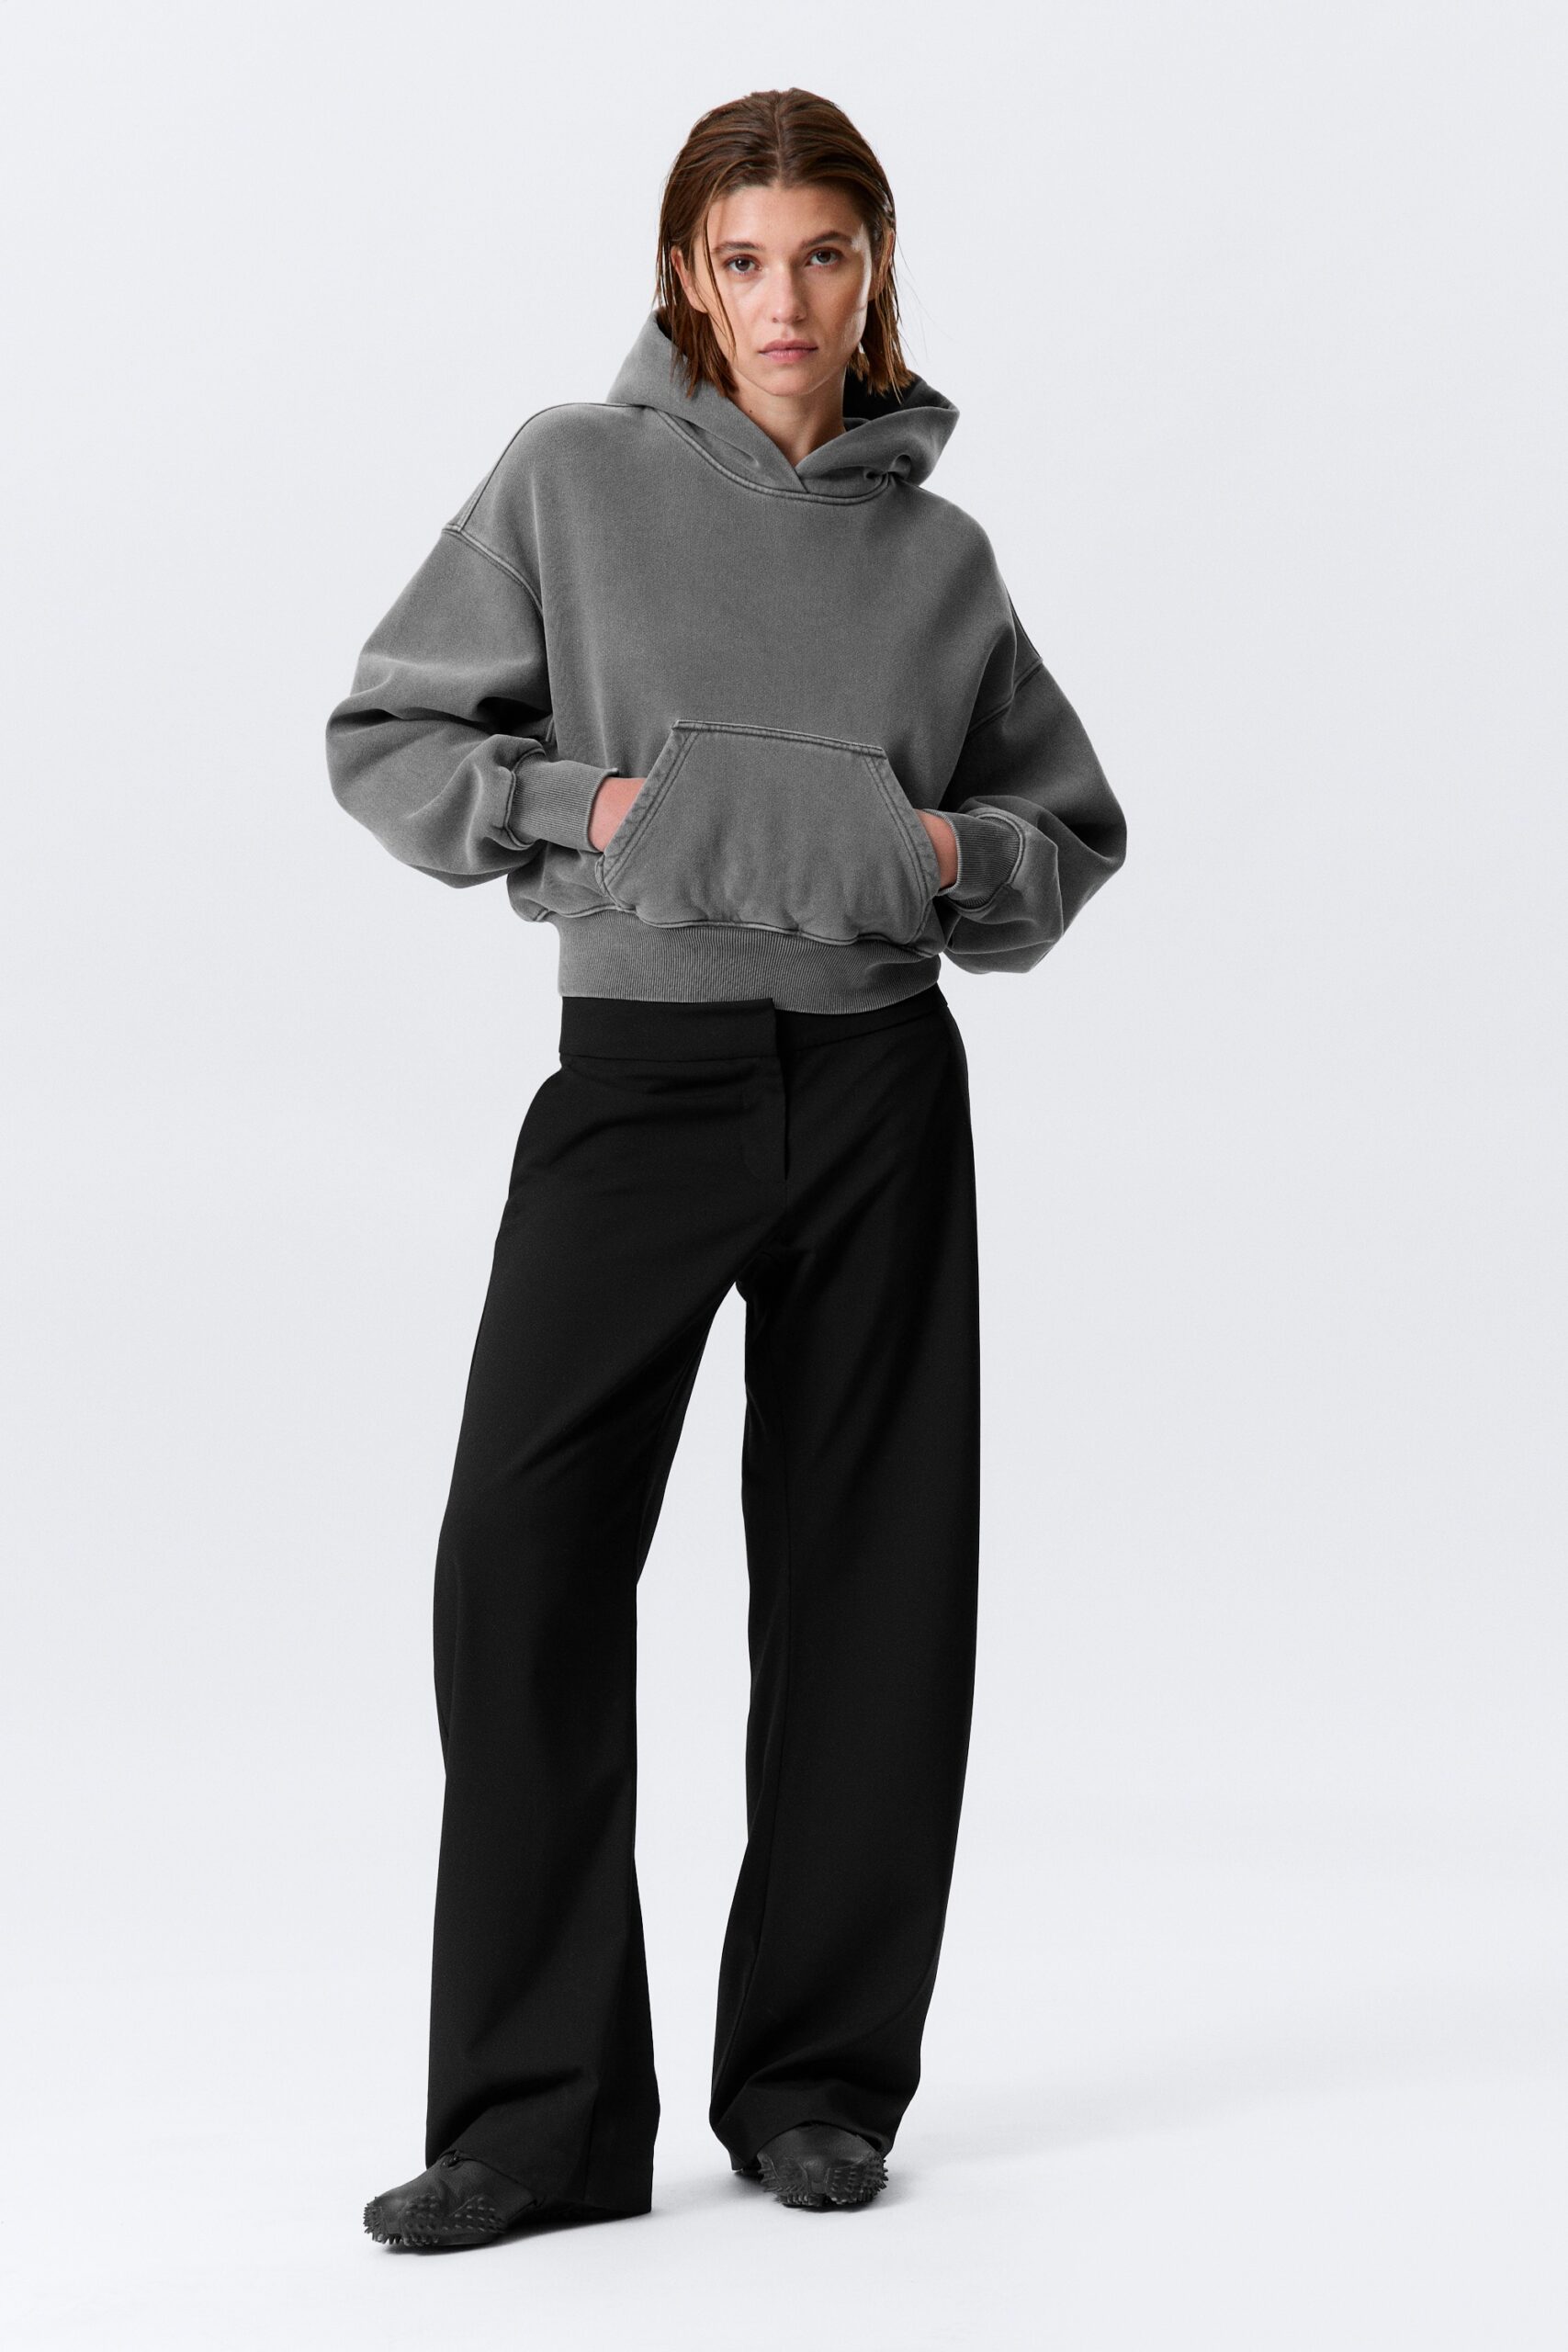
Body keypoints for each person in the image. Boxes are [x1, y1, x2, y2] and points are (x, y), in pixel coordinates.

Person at [325, 85, 1127, 2250]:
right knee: (520, 1560)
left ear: (875, 274)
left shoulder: (938, 560)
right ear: (688, 273)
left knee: (873, 1586)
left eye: (825, 258)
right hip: (638, 1076)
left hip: (875, 1092)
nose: (786, 303)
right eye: (746, 260)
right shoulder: (567, 477)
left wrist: (932, 852)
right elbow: (388, 737)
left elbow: (1060, 832)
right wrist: (586, 812)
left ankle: (815, 2083)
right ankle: (537, 2119)